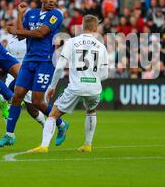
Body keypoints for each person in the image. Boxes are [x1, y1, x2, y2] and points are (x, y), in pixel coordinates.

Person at [0, 0, 68, 147]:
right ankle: (9, 134)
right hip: (29, 61)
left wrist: (16, 29)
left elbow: (41, 33)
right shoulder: (31, 14)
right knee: (17, 95)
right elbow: (20, 35)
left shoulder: (56, 15)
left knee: (37, 101)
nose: (52, 0)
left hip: (45, 61)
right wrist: (20, 14)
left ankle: (61, 124)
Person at [29, 15, 109, 153]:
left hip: (76, 87)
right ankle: (87, 145)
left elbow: (60, 66)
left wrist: (52, 86)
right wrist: (92, 79)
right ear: (96, 28)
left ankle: (44, 146)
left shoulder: (72, 42)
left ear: (82, 25)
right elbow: (105, 74)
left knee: (53, 114)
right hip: (94, 88)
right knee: (91, 111)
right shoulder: (101, 46)